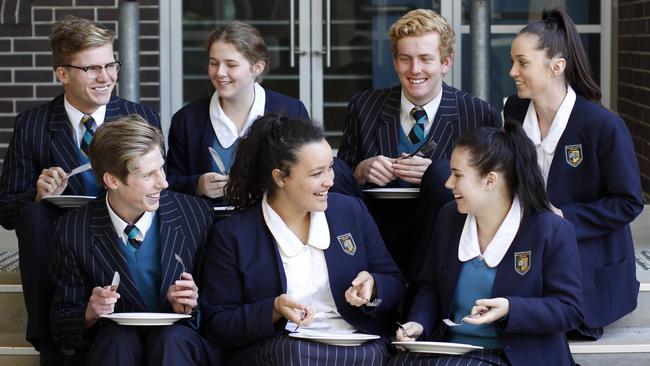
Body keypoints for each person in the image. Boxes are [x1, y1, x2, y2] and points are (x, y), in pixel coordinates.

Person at [0, 16, 160, 365]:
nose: (105, 77)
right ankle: (52, 344)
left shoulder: (139, 118)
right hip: (60, 235)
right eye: (91, 69)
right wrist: (37, 194)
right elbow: (8, 211)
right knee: (34, 214)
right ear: (62, 73)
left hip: (121, 227)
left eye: (110, 65)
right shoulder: (33, 124)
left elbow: (161, 189)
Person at [201, 114, 405, 365]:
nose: (330, 180)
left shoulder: (350, 211)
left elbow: (395, 284)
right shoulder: (234, 234)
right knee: (292, 355)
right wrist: (273, 310)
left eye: (330, 167)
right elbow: (218, 324)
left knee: (374, 354)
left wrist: (373, 287)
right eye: (317, 173)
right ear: (280, 177)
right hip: (281, 349)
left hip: (356, 343)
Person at [390, 123, 583, 366]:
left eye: (458, 175)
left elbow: (569, 309)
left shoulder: (551, 230)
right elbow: (430, 287)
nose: (449, 183)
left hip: (513, 356)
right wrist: (419, 323)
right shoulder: (449, 217)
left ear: (490, 180)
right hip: (450, 352)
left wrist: (511, 308)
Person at [504, 8, 643, 339]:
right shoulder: (514, 110)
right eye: (513, 61)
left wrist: (563, 216)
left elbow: (628, 202)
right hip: (527, 244)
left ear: (557, 66)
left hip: (586, 252)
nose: (512, 71)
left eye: (522, 62)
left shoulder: (603, 125)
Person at [334, 9, 501, 278]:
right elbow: (338, 181)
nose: (415, 70)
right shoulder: (363, 106)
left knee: (442, 172)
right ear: (394, 61)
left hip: (446, 242)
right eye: (405, 59)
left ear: (446, 62)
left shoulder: (479, 114)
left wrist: (444, 177)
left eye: (425, 59)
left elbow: (493, 193)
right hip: (375, 234)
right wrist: (361, 171)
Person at [49, 116, 222, 366]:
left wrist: (191, 306)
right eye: (149, 174)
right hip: (114, 349)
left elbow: (220, 313)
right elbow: (61, 325)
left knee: (170, 338)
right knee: (120, 339)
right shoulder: (73, 229)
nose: (164, 182)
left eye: (161, 168)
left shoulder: (196, 215)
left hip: (179, 347)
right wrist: (90, 312)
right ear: (112, 180)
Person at [166, 21, 309, 202]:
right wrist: (197, 184)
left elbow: (309, 172)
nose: (220, 73)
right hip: (208, 227)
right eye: (213, 63)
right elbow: (168, 182)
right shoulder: (186, 119)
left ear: (257, 67)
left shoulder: (291, 111)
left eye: (231, 65)